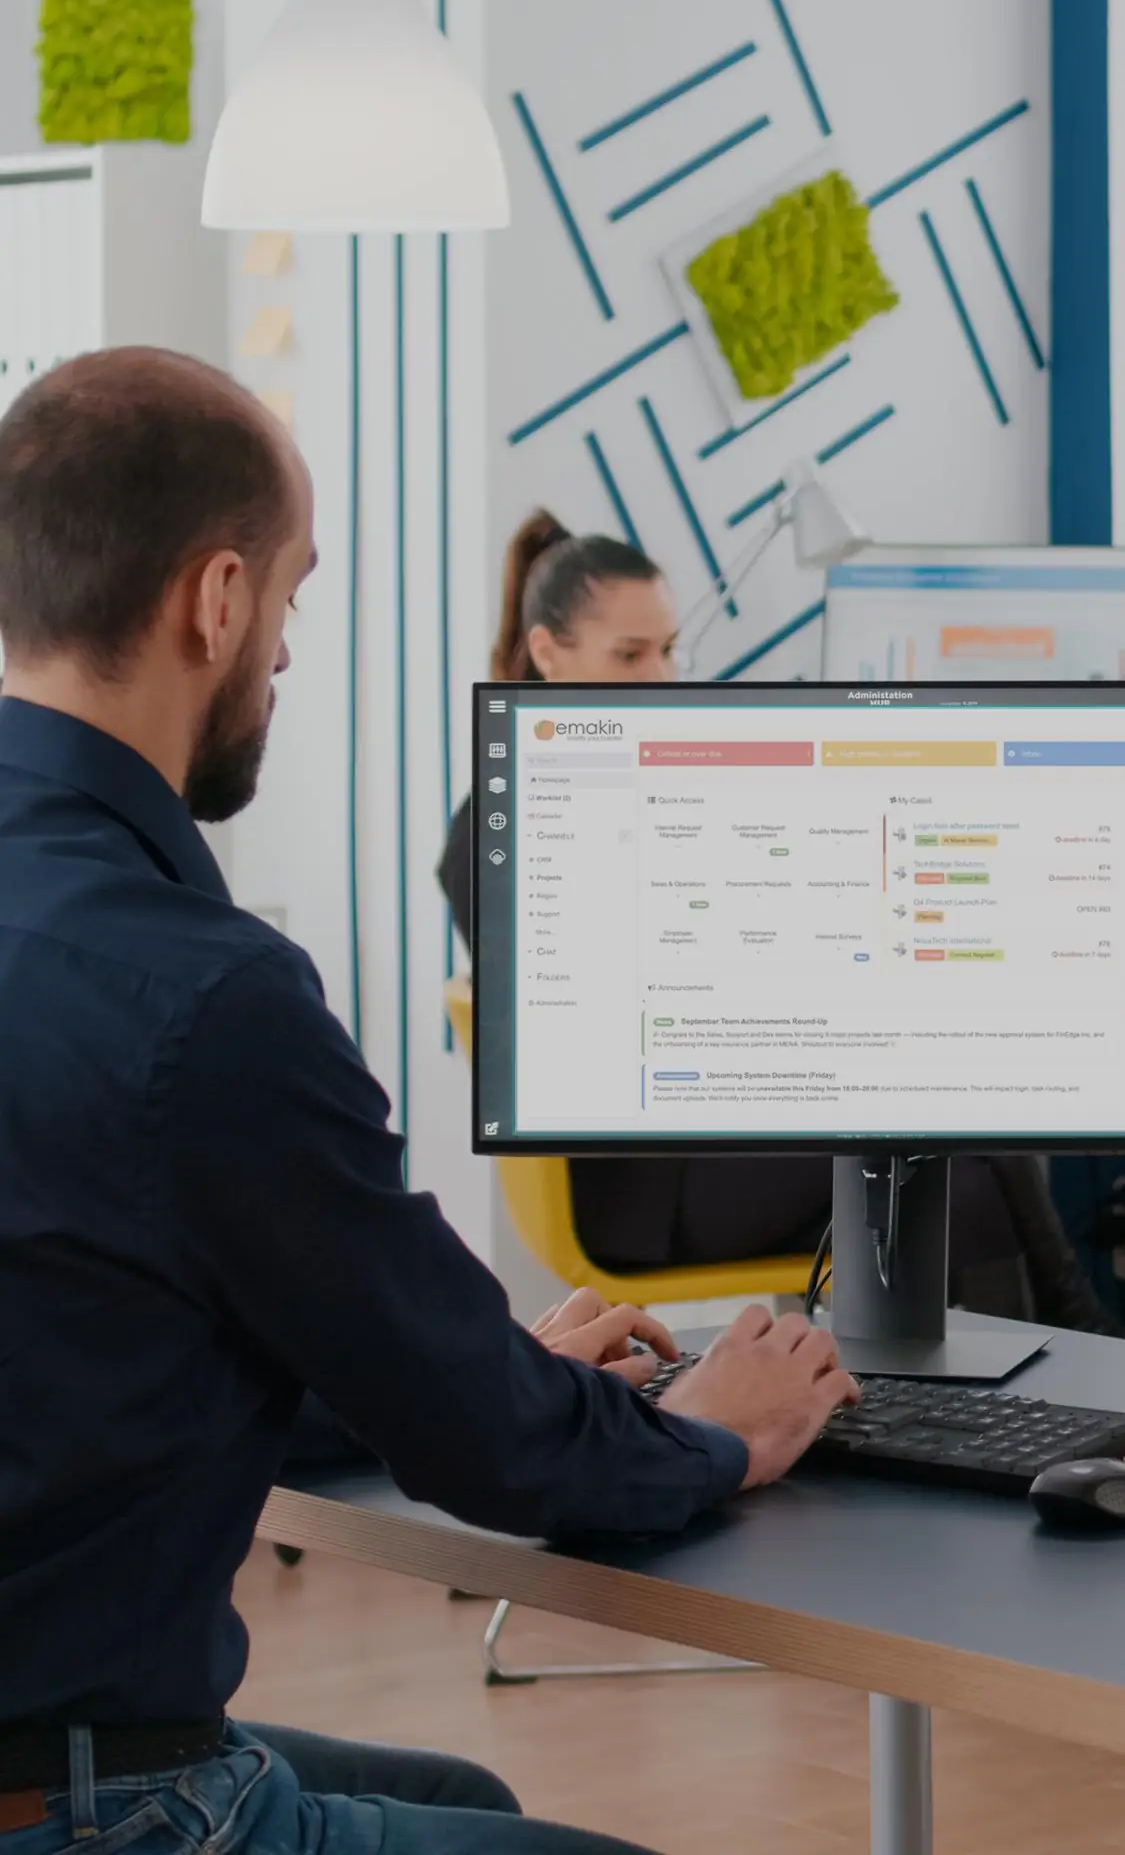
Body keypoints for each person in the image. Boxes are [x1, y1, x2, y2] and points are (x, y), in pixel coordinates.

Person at [0, 348, 862, 1855]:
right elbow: (508, 1466)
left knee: (460, 1799)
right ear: (214, 602)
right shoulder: (205, 998)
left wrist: (456, 1358)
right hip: (91, 1804)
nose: (281, 647)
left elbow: (98, 1327)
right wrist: (714, 1431)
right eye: (290, 592)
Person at [438, 513, 1119, 1332]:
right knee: (949, 1135)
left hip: (703, 1134)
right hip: (649, 1184)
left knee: (953, 1122)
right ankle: (1070, 1363)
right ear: (548, 654)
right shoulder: (508, 819)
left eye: (667, 650)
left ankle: (1010, 1395)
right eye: (630, 655)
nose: (659, 677)